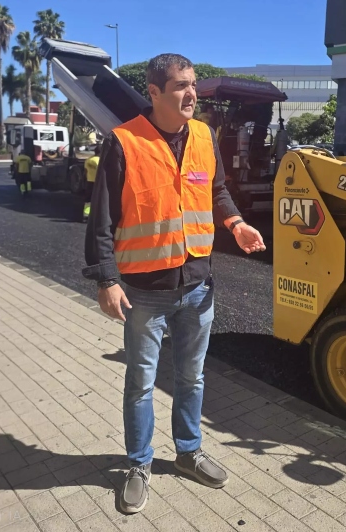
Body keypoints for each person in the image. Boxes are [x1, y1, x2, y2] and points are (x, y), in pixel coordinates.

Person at [82, 52, 266, 514]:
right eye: (181, 85)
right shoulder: (125, 142)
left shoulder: (204, 136)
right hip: (144, 291)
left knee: (192, 378)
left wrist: (236, 222)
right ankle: (139, 464)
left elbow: (216, 190)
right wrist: (107, 279)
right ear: (155, 92)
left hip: (199, 286)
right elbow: (101, 219)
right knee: (141, 384)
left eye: (193, 84)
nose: (191, 94)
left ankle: (188, 453)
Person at [81, 145, 101, 222]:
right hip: (98, 183)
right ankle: (96, 217)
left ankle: (85, 215)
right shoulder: (100, 161)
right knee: (98, 200)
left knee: (88, 200)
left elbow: (85, 172)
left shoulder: (88, 160)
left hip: (89, 182)